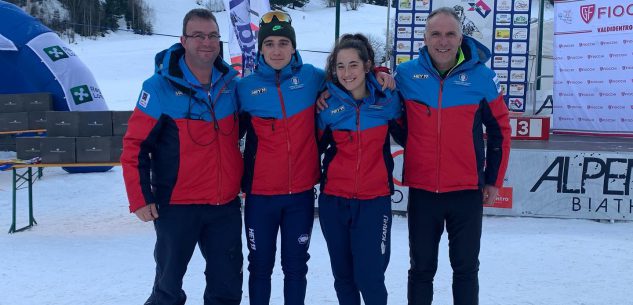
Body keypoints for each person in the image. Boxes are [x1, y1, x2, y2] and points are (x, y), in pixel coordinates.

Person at [236, 11, 394, 305]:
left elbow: (348, 77)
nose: (277, 50)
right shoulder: (244, 89)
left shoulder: (311, 78)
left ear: (293, 47)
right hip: (260, 196)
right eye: (269, 43)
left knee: (296, 268)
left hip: (300, 194)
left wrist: (379, 73)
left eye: (284, 42)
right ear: (260, 48)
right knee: (259, 268)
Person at [121, 8, 243, 305]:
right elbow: (135, 145)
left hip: (223, 205)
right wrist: (140, 197)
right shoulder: (158, 88)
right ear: (183, 40)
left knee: (226, 287)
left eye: (213, 35)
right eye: (198, 35)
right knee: (168, 287)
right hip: (176, 205)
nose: (207, 42)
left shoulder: (232, 85)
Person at [394, 7, 511, 305]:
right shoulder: (406, 74)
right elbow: (378, 99)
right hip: (423, 191)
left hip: (466, 192)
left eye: (450, 34)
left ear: (461, 38)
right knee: (421, 269)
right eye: (436, 34)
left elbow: (500, 131)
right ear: (424, 37)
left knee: (466, 270)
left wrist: (493, 180)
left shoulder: (482, 77)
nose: (442, 41)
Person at [317, 33, 401, 305]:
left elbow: (410, 134)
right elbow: (312, 147)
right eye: (340, 66)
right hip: (334, 201)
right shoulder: (326, 106)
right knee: (343, 277)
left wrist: (384, 75)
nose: (346, 72)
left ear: (367, 66)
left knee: (370, 277)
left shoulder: (387, 100)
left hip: (374, 201)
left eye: (353, 64)